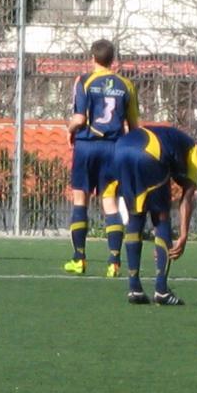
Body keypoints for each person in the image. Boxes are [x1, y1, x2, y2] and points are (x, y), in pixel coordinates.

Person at [64, 38, 139, 277]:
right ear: (113, 60)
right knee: (110, 201)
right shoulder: (126, 84)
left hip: (87, 146)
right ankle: (114, 262)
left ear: (92, 58)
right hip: (114, 148)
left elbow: (79, 119)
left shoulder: (84, 81)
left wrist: (69, 130)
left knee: (80, 199)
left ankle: (79, 259)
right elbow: (135, 126)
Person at [114, 125, 197, 305]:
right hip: (151, 152)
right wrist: (184, 235)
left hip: (120, 149)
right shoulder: (196, 154)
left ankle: (134, 288)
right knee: (161, 217)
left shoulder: (174, 140)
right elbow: (188, 195)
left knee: (135, 216)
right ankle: (161, 290)